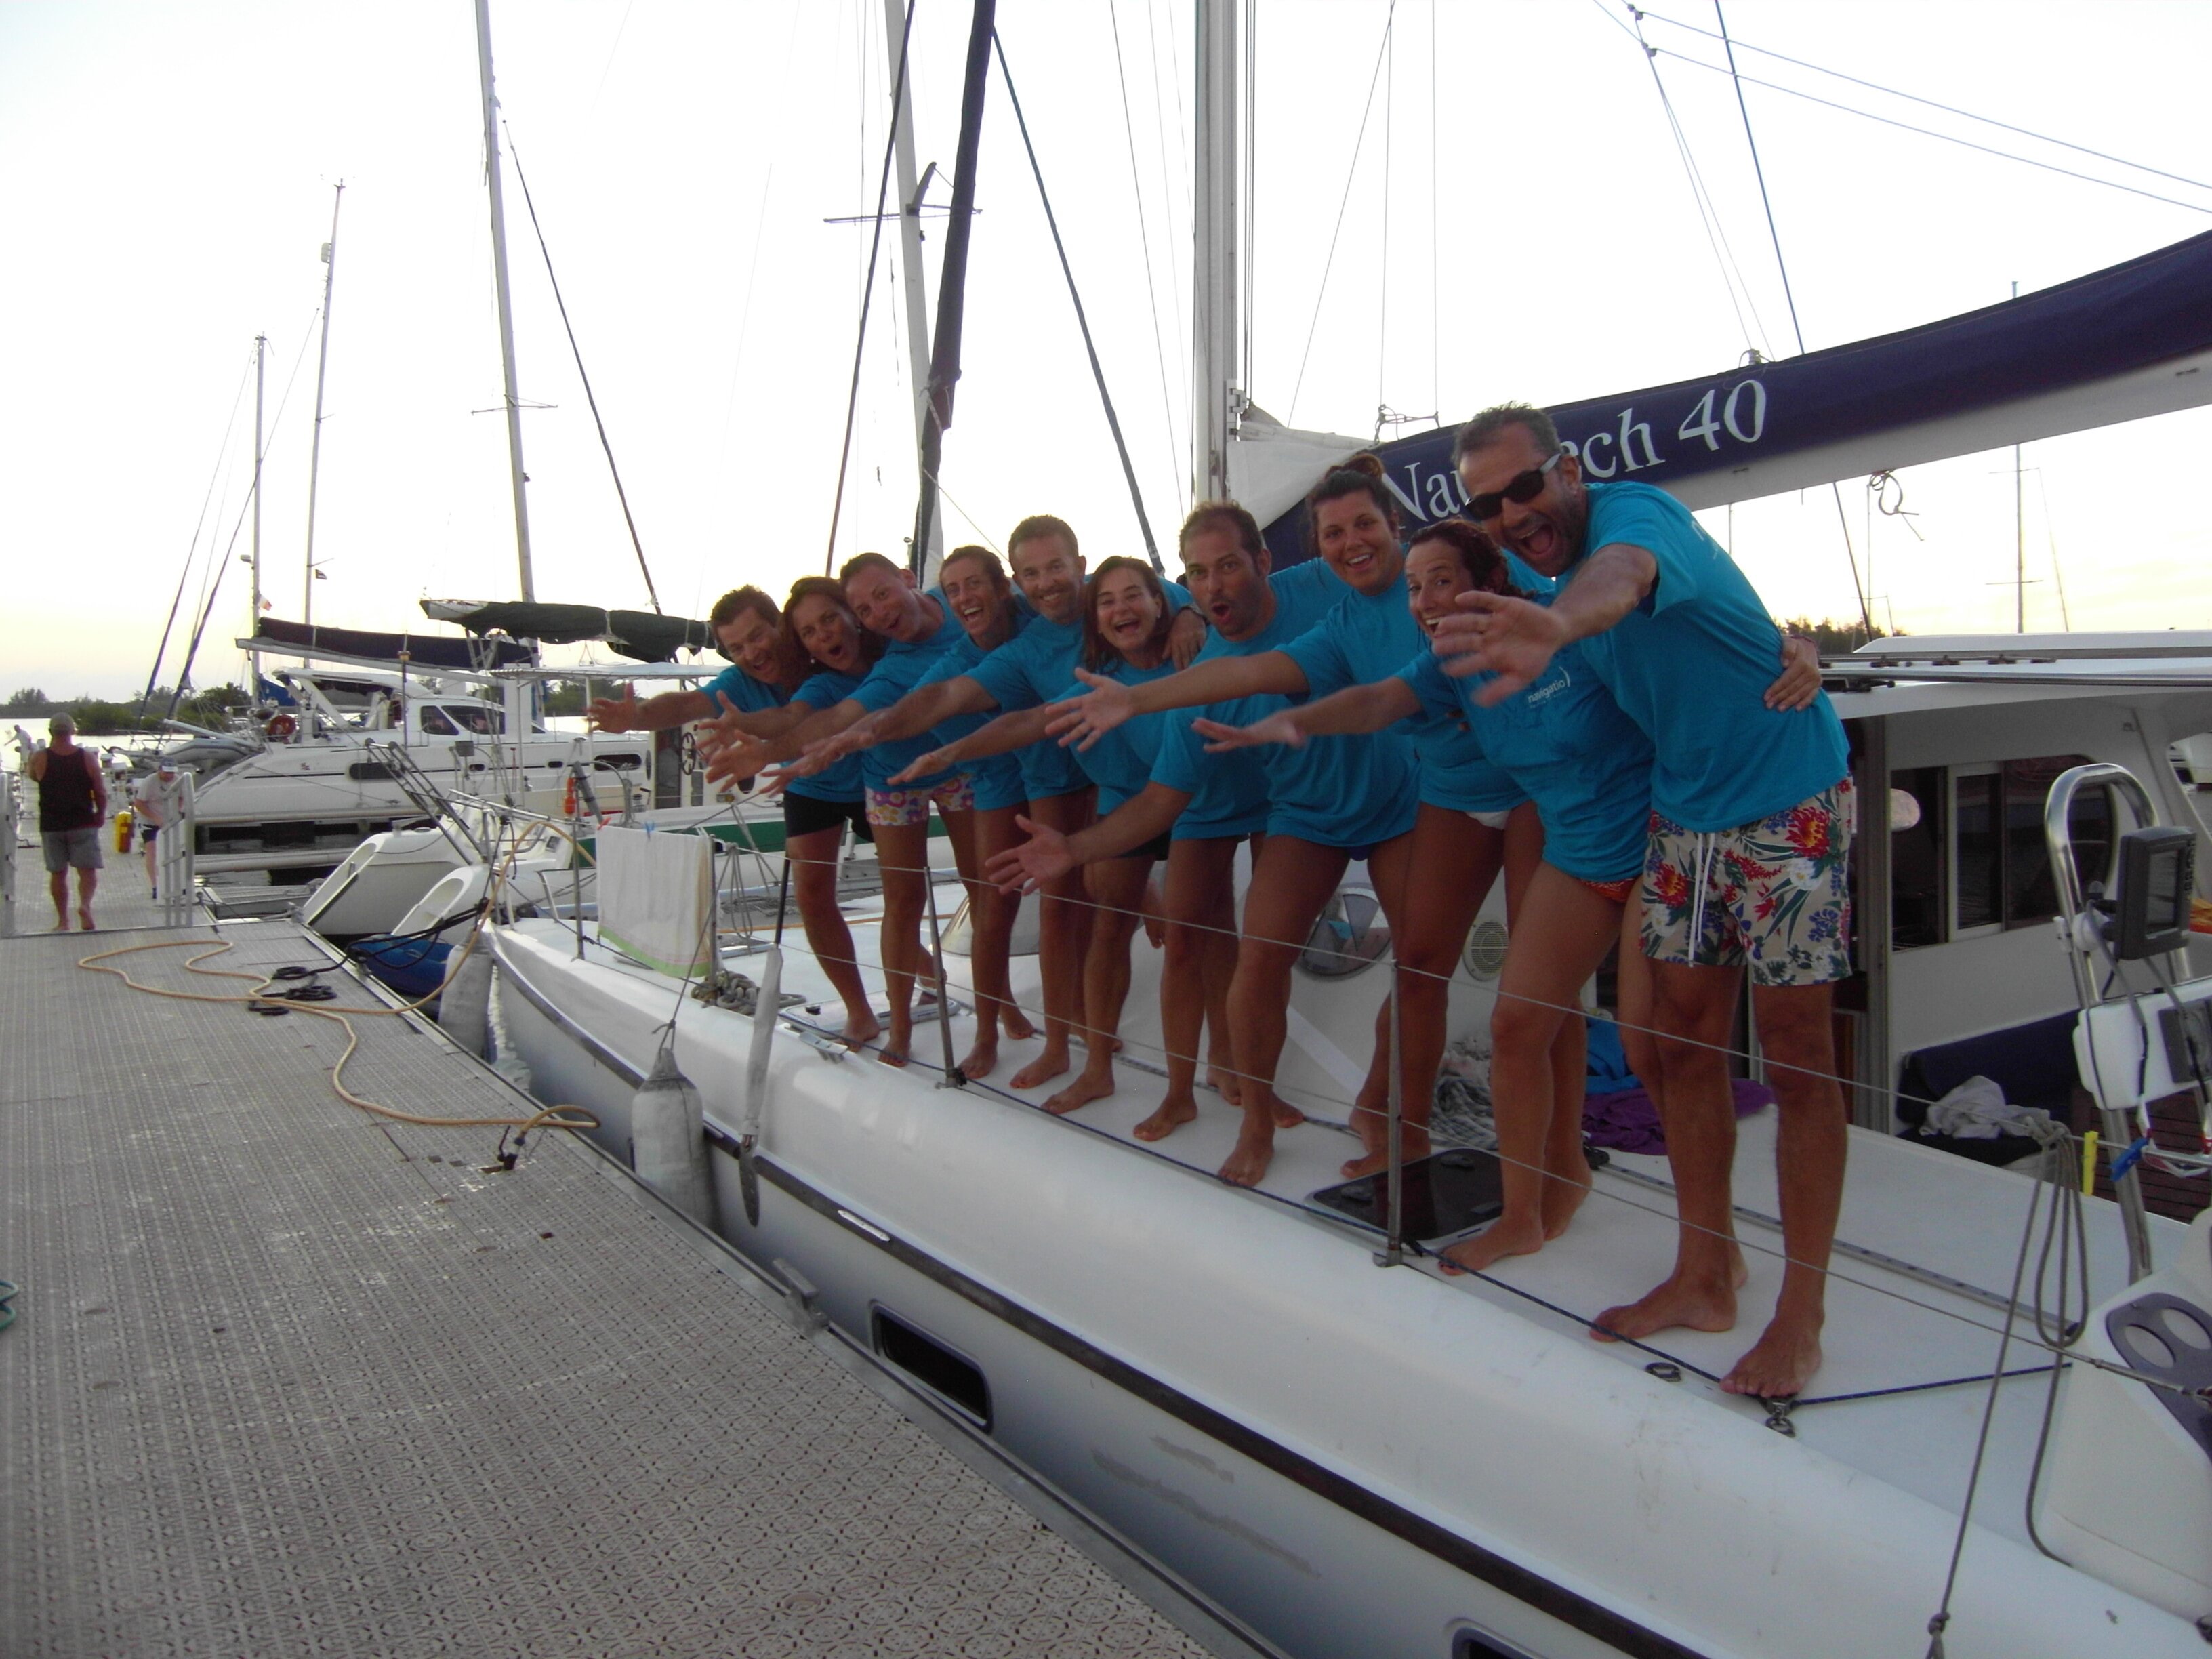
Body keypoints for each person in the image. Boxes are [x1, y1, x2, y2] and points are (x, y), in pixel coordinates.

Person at [1437, 401, 1853, 1400]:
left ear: (1569, 472)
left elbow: (1621, 579)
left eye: (1524, 487)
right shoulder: (1544, 582)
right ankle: (1707, 1271)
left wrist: (1556, 624)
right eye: (1489, 505)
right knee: (1676, 1047)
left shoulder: (1636, 519)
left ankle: (1802, 1313)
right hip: (1684, 816)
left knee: (1797, 1055)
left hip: (1787, 801)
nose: (1513, 514)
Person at [999, 501, 1373, 1187]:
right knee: (1187, 944)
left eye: (1227, 566)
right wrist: (1075, 848)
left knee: (1256, 950)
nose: (1214, 583)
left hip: (1280, 794)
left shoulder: (1286, 600)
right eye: (1199, 575)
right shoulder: (1181, 686)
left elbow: (1382, 580)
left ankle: (1247, 1081)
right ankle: (1182, 1091)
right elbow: (1151, 797)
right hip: (1200, 801)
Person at [783, 517, 1206, 1090]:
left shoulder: (1103, 602)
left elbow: (1170, 594)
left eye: (1054, 568)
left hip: (1113, 770)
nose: (1045, 582)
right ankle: (1022, 1039)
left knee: (1103, 902)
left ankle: (1094, 1025)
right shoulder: (1008, 650)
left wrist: (1190, 613)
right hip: (1037, 772)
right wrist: (859, 739)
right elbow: (944, 699)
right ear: (1018, 580)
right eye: (1032, 573)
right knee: (1036, 904)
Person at [894, 557, 1212, 1124]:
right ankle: (1083, 1059)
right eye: (1108, 602)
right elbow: (1019, 718)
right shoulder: (1072, 664)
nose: (1120, 608)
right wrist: (945, 752)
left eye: (1133, 598)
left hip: (1192, 800)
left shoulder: (1189, 647)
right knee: (1091, 918)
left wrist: (1192, 611)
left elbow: (1184, 601)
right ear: (1019, 582)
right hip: (1105, 789)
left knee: (1195, 935)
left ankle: (1216, 1070)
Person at [705, 554, 982, 1069]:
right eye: (809, 631)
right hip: (845, 779)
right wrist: (762, 747)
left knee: (966, 885)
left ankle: (976, 1000)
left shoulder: (894, 640)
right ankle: (870, 1014)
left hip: (928, 769)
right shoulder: (813, 676)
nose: (823, 635)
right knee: (859, 895)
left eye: (832, 619)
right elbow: (807, 716)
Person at [771, 546, 1037, 1078]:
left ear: (908, 579)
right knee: (903, 899)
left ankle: (1001, 1002)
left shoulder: (954, 604)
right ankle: (899, 1026)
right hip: (891, 779)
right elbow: (845, 714)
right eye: (865, 609)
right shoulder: (885, 666)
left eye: (881, 596)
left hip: (954, 767)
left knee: (983, 889)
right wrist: (770, 750)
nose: (878, 612)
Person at [586, 586, 804, 737]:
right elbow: (686, 705)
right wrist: (638, 717)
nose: (750, 654)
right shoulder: (741, 681)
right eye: (736, 649)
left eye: (756, 637)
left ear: (780, 625)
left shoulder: (817, 659)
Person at [30, 714, 108, 931]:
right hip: (82, 822)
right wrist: (101, 813)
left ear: (51, 732)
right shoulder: (87, 758)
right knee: (87, 870)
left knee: (58, 873)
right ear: (73, 731)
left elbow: (34, 777)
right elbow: (100, 790)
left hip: (52, 824)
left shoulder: (40, 757)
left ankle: (63, 921)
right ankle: (85, 906)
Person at [132, 756, 188, 899]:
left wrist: (177, 812)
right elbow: (138, 803)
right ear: (160, 770)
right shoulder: (150, 781)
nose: (169, 776)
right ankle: (155, 885)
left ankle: (175, 882)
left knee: (174, 851)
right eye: (166, 772)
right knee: (152, 850)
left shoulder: (179, 780)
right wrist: (155, 817)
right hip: (149, 821)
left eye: (172, 773)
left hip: (169, 820)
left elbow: (182, 797)